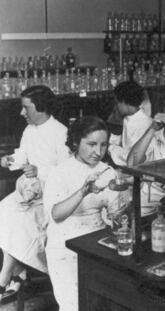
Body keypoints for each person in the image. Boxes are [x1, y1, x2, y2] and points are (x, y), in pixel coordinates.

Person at [43, 116, 122, 311]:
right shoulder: (60, 172)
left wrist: (122, 204)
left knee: (106, 301)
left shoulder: (107, 172)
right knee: (74, 305)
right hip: (63, 245)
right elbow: (56, 215)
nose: (98, 152)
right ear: (76, 142)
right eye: (92, 144)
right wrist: (83, 191)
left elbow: (116, 216)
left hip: (95, 243)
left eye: (103, 145)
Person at [0, 85, 69, 300]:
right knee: (3, 211)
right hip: (30, 191)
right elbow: (23, 155)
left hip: (52, 196)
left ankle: (6, 276)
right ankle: (16, 272)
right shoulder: (29, 130)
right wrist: (10, 160)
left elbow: (66, 171)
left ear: (41, 108)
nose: (22, 113)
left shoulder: (61, 132)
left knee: (20, 222)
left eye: (25, 108)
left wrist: (41, 171)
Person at [108, 81, 152, 166]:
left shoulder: (143, 123)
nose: (116, 107)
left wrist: (111, 148)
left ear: (124, 101)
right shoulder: (128, 118)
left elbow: (133, 157)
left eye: (117, 103)